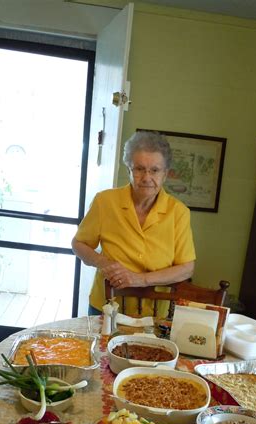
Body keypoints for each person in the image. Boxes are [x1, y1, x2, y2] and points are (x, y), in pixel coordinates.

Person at [72, 130, 196, 315]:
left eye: (154, 170)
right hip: (106, 306)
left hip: (154, 314)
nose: (146, 177)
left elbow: (186, 268)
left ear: (165, 174)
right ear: (129, 170)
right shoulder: (105, 202)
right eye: (139, 169)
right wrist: (102, 262)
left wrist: (140, 279)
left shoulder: (178, 212)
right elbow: (79, 244)